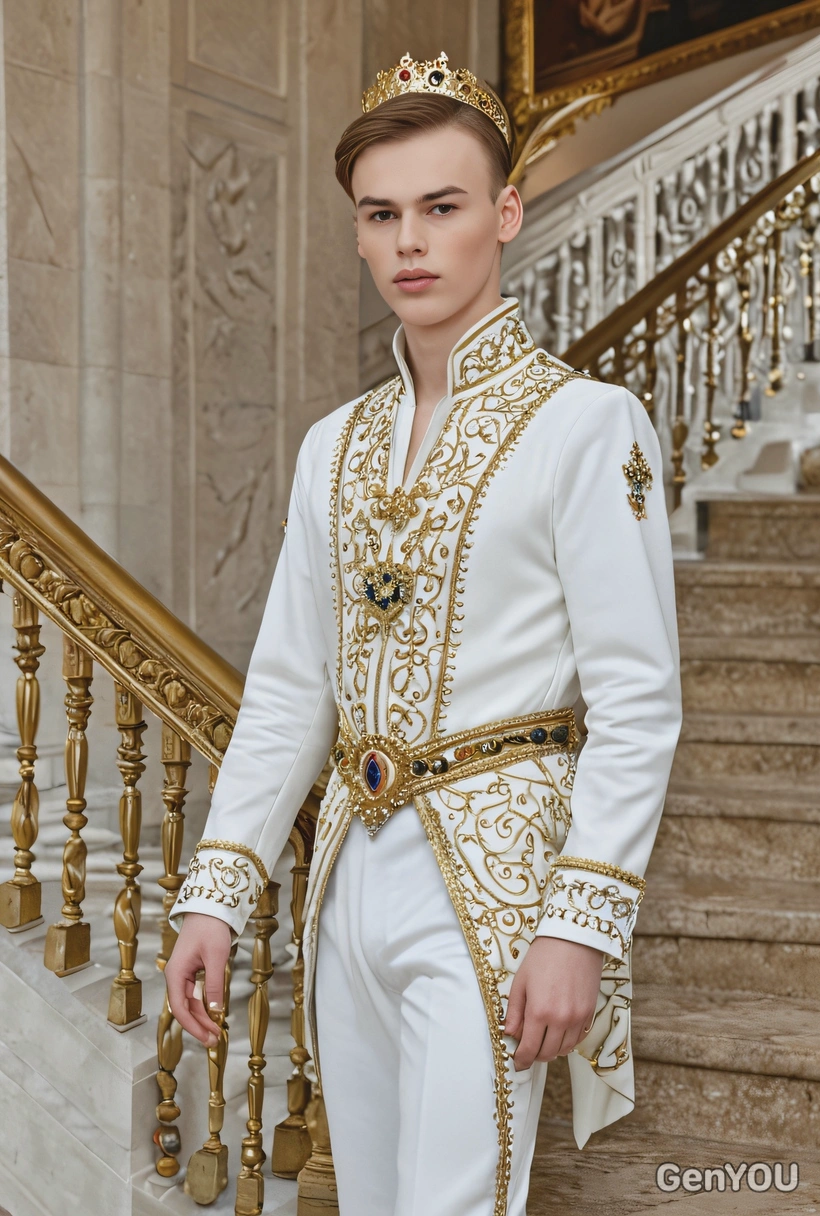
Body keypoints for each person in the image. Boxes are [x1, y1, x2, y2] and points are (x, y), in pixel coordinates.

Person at [165, 50, 682, 1216]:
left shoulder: (586, 425)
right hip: (348, 876)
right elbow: (290, 687)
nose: (409, 241)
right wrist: (217, 891)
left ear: (505, 214)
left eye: (441, 208)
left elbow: (638, 697)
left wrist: (579, 924)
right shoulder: (333, 445)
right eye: (381, 214)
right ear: (358, 231)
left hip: (497, 878)